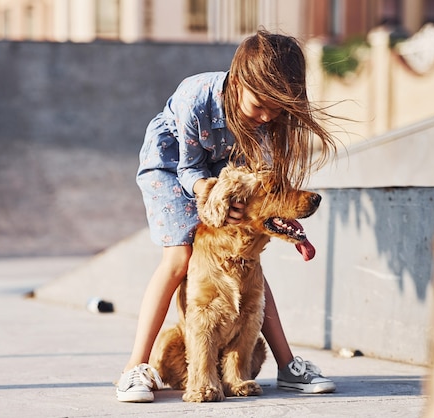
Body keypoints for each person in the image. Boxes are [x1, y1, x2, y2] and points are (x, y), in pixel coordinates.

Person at [116, 30, 338, 403]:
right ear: (238, 83)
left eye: (277, 108)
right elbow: (190, 169)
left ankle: (288, 366)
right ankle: (135, 368)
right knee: (179, 257)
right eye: (259, 105)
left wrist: (258, 213)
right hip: (172, 167)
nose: (267, 115)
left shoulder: (270, 122)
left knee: (245, 260)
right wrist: (209, 192)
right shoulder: (195, 96)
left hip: (226, 168)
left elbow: (262, 185)